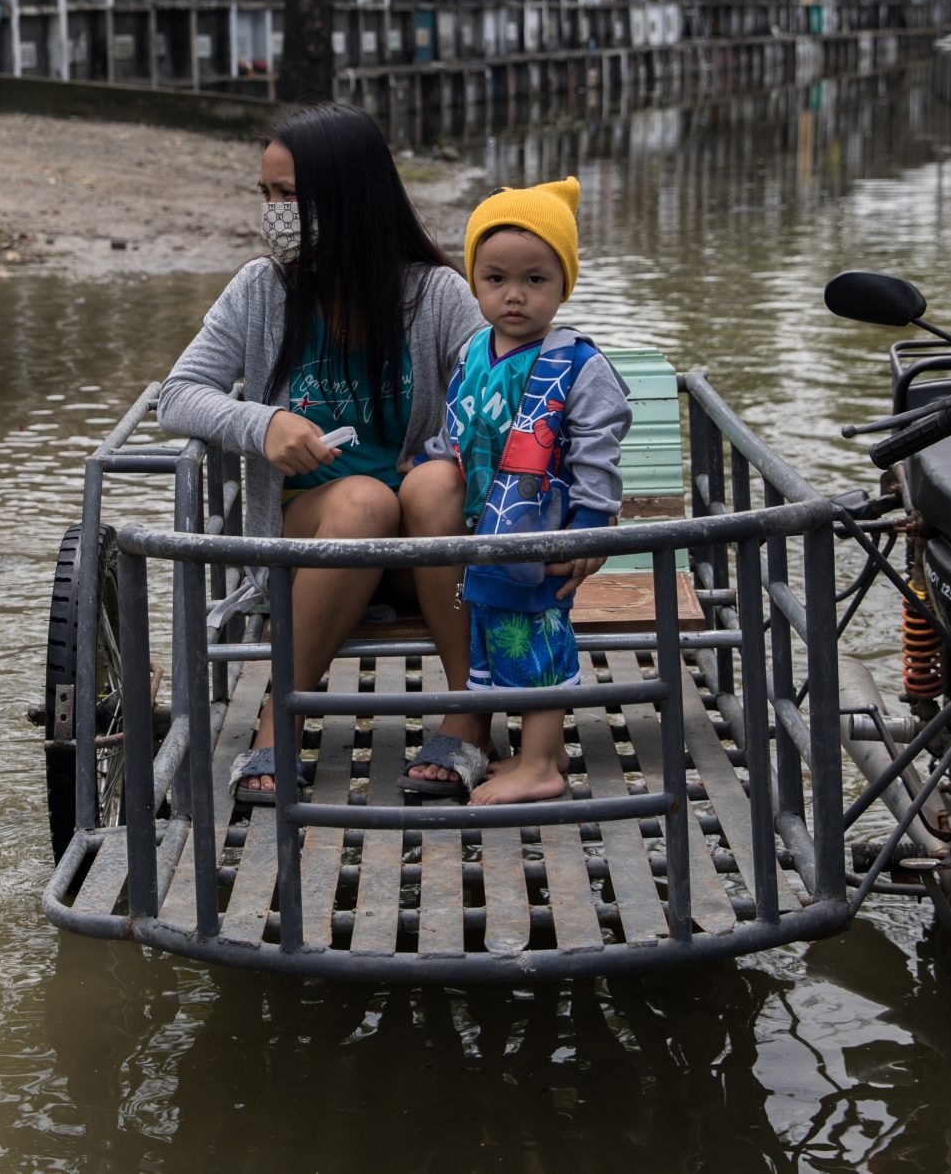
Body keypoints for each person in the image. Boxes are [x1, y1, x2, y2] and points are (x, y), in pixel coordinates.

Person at [155, 103, 494, 804]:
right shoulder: (261, 290)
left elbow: (502, 390)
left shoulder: (434, 295)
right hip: (311, 536)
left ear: (348, 197)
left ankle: (470, 719)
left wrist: (449, 448)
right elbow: (178, 396)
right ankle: (276, 728)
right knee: (363, 499)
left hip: (421, 551)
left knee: (431, 485)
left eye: (290, 196)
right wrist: (263, 422)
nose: (275, 212)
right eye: (267, 195)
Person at [404, 177, 629, 807]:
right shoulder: (475, 350)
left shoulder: (577, 363)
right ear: (473, 282)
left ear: (563, 286)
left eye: (536, 280)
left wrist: (591, 520)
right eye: (496, 278)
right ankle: (542, 749)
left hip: (545, 529)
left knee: (531, 636)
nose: (514, 295)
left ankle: (540, 768)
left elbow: (598, 448)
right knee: (499, 634)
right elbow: (457, 434)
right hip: (488, 531)